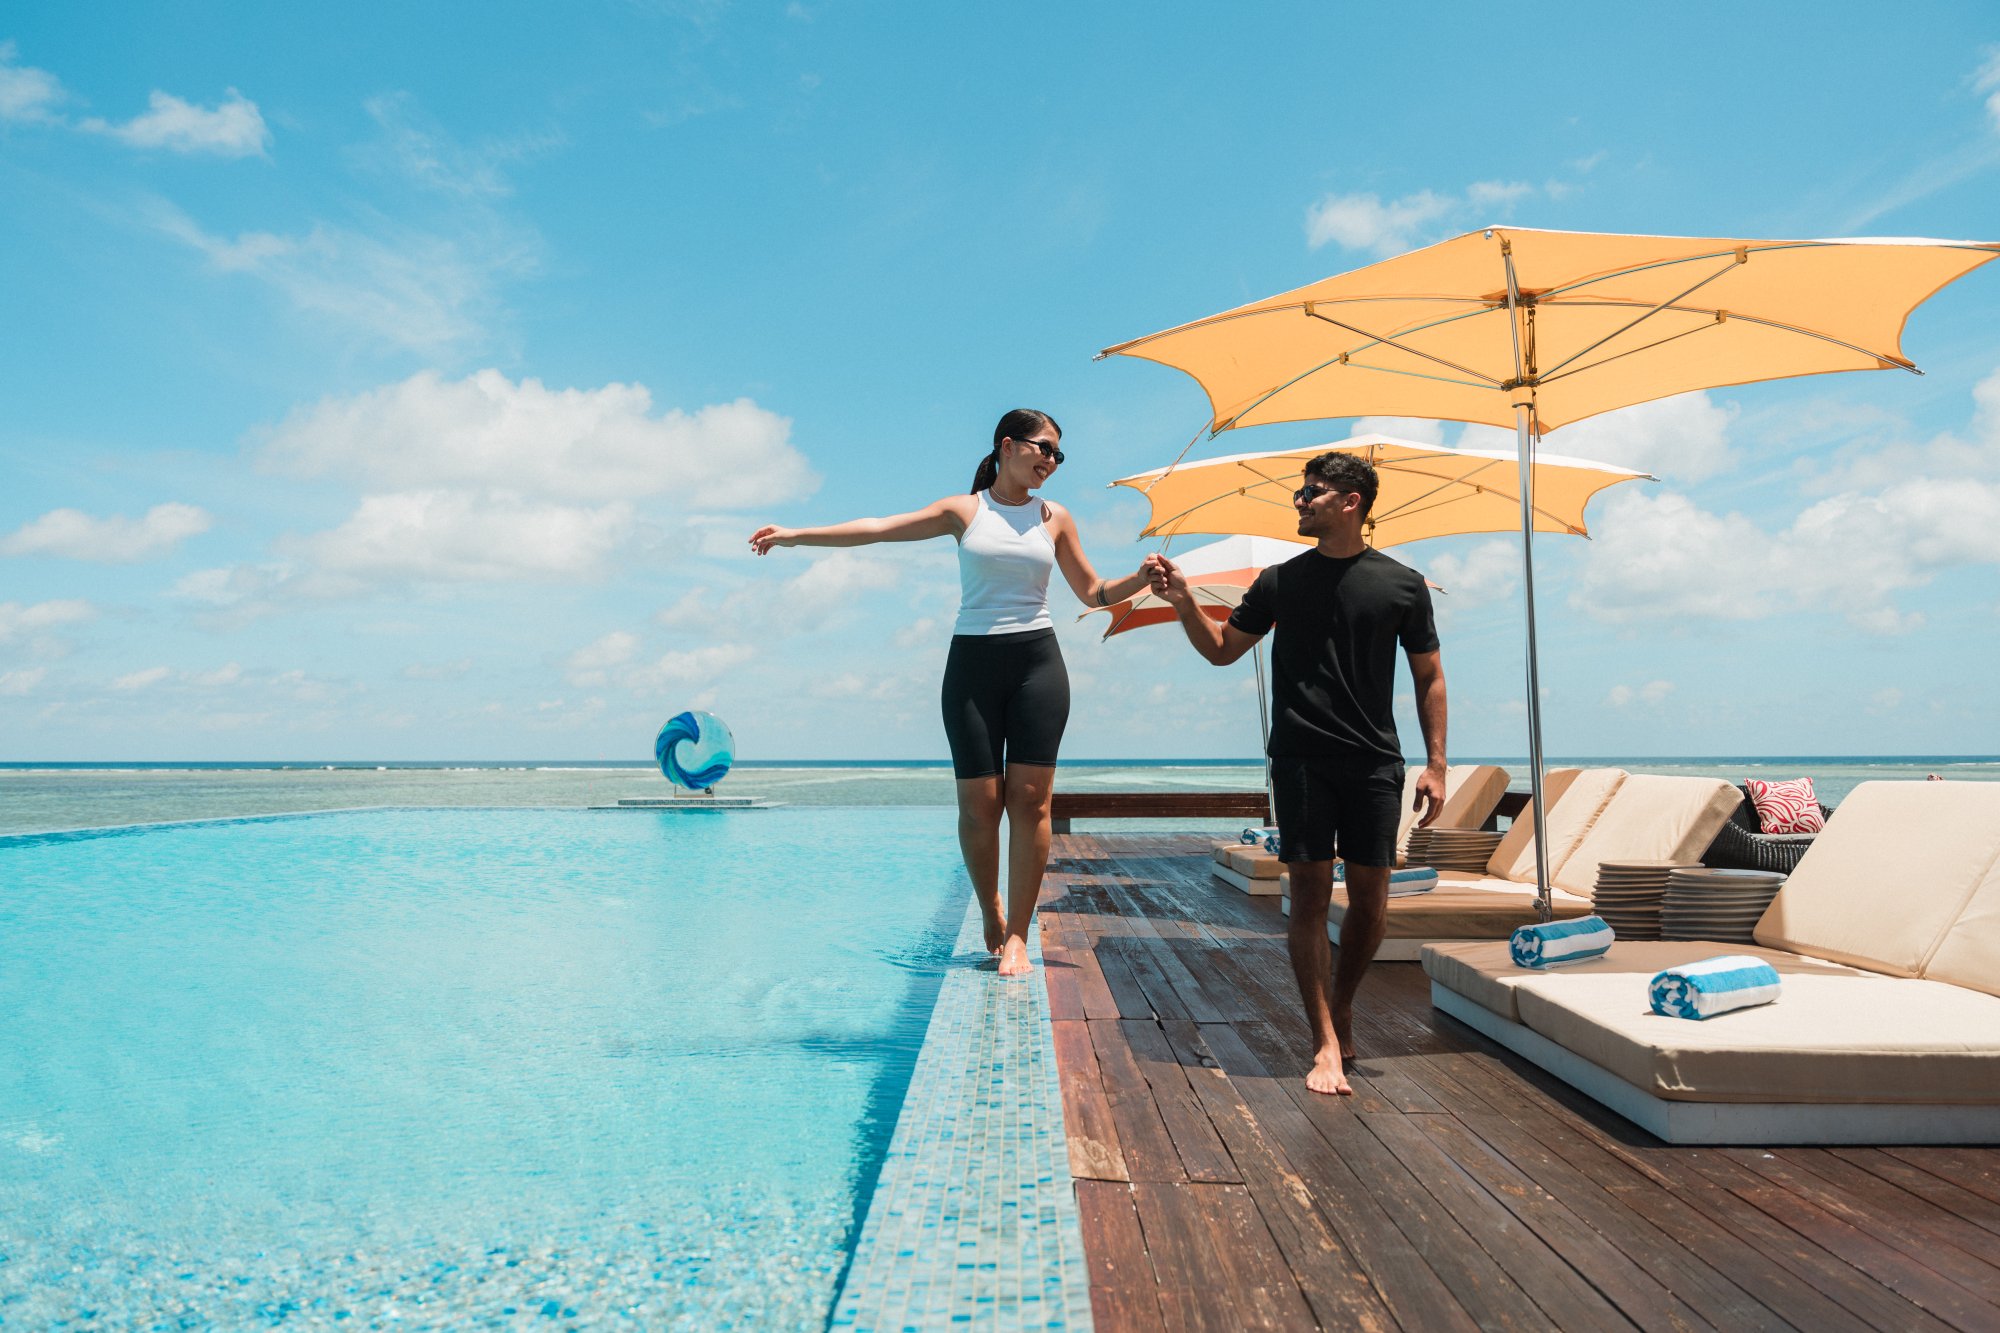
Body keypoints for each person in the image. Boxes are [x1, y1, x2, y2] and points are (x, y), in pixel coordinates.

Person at [749, 409, 1154, 978]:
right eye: (1043, 448)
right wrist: (795, 536)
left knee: (1032, 803)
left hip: (1038, 664)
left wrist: (1139, 579)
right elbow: (877, 528)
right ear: (1008, 445)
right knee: (979, 806)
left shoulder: (1055, 517)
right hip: (972, 666)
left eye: (1058, 454)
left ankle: (1018, 935)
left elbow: (1094, 591)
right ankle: (989, 905)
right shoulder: (965, 511)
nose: (1051, 460)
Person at [1145, 450, 1447, 1094]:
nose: (1300, 502)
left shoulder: (1403, 585)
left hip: (1375, 761)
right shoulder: (1278, 582)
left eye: (1313, 492)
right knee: (1308, 896)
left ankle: (1341, 1007)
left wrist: (1437, 764)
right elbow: (1222, 651)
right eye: (1299, 493)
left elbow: (1430, 676)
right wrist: (1184, 601)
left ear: (1351, 502)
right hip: (1301, 757)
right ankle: (1323, 1039)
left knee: (1371, 901)